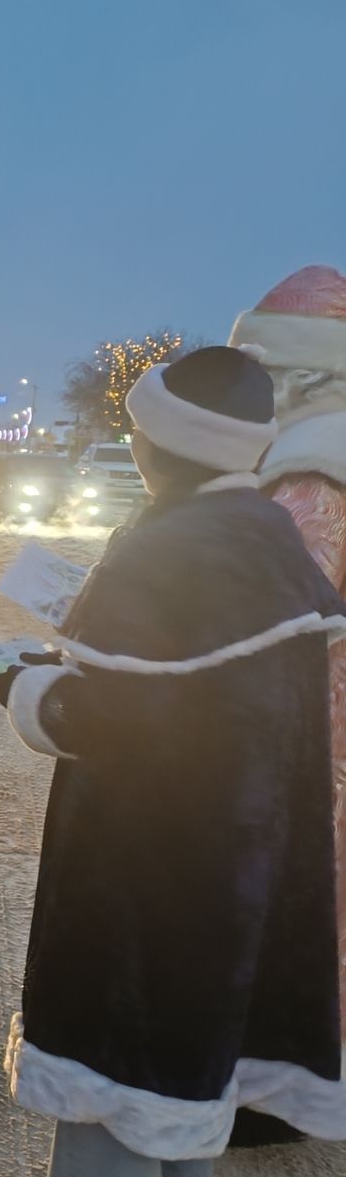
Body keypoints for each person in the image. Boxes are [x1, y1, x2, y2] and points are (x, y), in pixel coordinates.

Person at [0, 346, 346, 1177]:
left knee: (117, 1096)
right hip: (239, 877)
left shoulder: (169, 548)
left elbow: (117, 721)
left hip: (145, 881)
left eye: (139, 433)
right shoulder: (266, 539)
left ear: (161, 447)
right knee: (190, 1091)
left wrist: (26, 689)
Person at [236, 266, 346, 1073]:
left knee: (278, 889)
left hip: (304, 721)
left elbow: (278, 612)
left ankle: (267, 1077)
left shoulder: (310, 473)